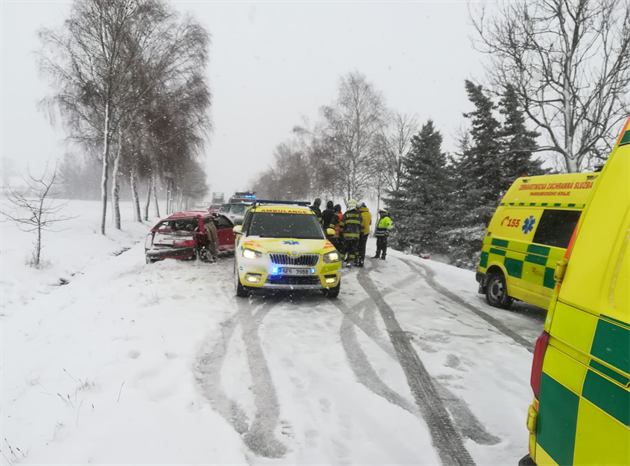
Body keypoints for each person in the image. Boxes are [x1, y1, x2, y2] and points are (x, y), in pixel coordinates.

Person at [339, 199, 363, 268]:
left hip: (346, 236)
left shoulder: (347, 213)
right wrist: (361, 234)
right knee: (352, 250)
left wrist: (341, 233)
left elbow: (342, 224)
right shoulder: (359, 214)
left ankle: (341, 261)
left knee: (344, 249)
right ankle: (350, 262)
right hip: (356, 237)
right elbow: (361, 225)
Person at [357, 202, 371, 267]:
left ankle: (357, 260)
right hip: (366, 232)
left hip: (360, 232)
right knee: (363, 247)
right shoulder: (369, 214)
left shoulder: (360, 214)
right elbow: (370, 223)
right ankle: (361, 260)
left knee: (358, 246)